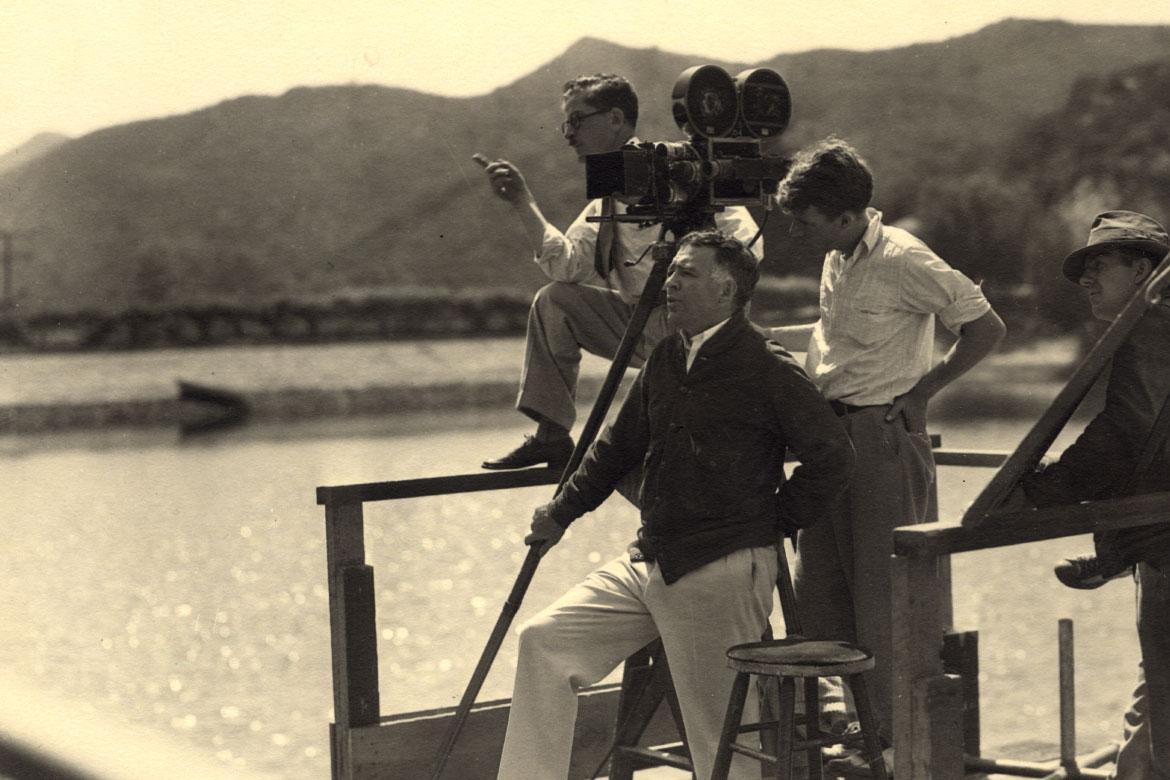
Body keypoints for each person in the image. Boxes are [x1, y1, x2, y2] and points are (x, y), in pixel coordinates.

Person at [495, 230, 853, 780]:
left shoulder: (767, 366)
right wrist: (560, 513)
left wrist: (770, 522)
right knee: (544, 643)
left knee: (719, 735)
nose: (669, 283)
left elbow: (832, 458)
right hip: (652, 559)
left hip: (720, 569)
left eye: (685, 273)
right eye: (672, 271)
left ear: (726, 288)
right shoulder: (667, 356)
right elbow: (615, 449)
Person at [767, 137, 1006, 766]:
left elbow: (986, 327)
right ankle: (854, 738)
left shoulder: (906, 259)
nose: (797, 228)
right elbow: (831, 338)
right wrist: (763, 340)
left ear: (845, 214)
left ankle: (898, 750)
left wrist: (924, 392)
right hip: (829, 441)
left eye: (806, 218)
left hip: (880, 440)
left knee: (885, 600)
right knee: (821, 593)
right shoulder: (838, 257)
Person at [476, 73, 762, 470]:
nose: (569, 134)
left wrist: (693, 245)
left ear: (614, 118)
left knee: (659, 453)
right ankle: (552, 436)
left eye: (578, 120)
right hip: (643, 323)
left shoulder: (680, 170)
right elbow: (565, 264)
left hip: (701, 330)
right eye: (566, 123)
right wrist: (523, 202)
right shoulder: (611, 190)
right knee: (554, 301)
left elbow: (750, 248)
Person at [1019, 210, 1170, 779]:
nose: (1085, 279)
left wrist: (1046, 488)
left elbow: (1126, 430)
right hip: (1153, 541)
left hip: (1165, 543)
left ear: (1143, 271)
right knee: (1154, 697)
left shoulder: (1154, 325)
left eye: (1099, 264)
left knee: (1164, 706)